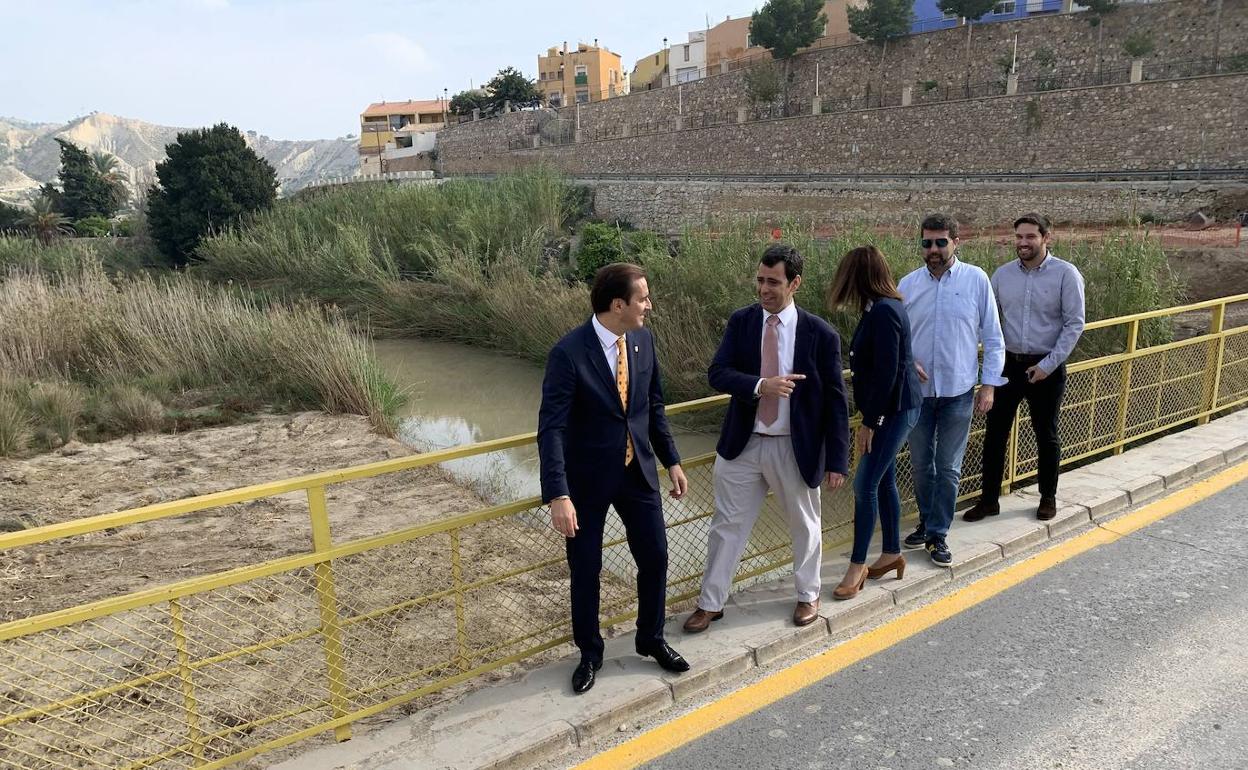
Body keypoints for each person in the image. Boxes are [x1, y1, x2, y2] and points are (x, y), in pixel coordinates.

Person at [537, 262, 691, 694]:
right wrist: (558, 494)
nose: (649, 305)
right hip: (585, 481)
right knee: (586, 568)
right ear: (618, 304)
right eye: (642, 298)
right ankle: (590, 653)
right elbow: (552, 428)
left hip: (638, 472)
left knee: (656, 556)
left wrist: (671, 460)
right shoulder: (568, 353)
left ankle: (651, 638)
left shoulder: (642, 340)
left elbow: (652, 406)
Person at [683, 243, 849, 633]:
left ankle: (808, 595)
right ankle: (711, 603)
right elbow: (717, 373)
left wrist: (838, 460)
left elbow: (836, 403)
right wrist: (761, 385)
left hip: (796, 447)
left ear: (795, 283)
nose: (764, 289)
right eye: (760, 280)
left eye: (773, 282)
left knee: (804, 525)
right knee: (727, 525)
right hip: (744, 444)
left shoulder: (820, 334)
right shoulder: (742, 322)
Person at [899, 214, 1006, 566]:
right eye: (927, 243)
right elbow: (897, 338)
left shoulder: (976, 280)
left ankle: (939, 533)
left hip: (960, 392)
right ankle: (928, 523)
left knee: (948, 467)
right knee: (920, 465)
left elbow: (993, 337)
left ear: (957, 242)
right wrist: (905, 362)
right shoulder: (908, 285)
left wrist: (988, 385)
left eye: (941, 242)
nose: (933, 249)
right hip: (918, 395)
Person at [964, 213, 1085, 522]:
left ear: (1046, 238)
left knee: (1046, 433)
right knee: (994, 435)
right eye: (1019, 237)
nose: (1023, 243)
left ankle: (1047, 497)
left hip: (1047, 367)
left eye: (1030, 237)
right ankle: (989, 500)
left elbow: (1074, 325)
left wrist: (1047, 365)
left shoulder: (1065, 275)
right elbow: (988, 323)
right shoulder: (1002, 276)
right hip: (1008, 365)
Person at [826, 246, 923, 600]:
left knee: (864, 485)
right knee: (883, 481)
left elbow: (886, 374)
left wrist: (870, 422)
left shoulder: (883, 311)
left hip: (894, 410)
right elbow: (897, 358)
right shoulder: (881, 308)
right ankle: (892, 552)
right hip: (897, 406)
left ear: (859, 278)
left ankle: (857, 566)